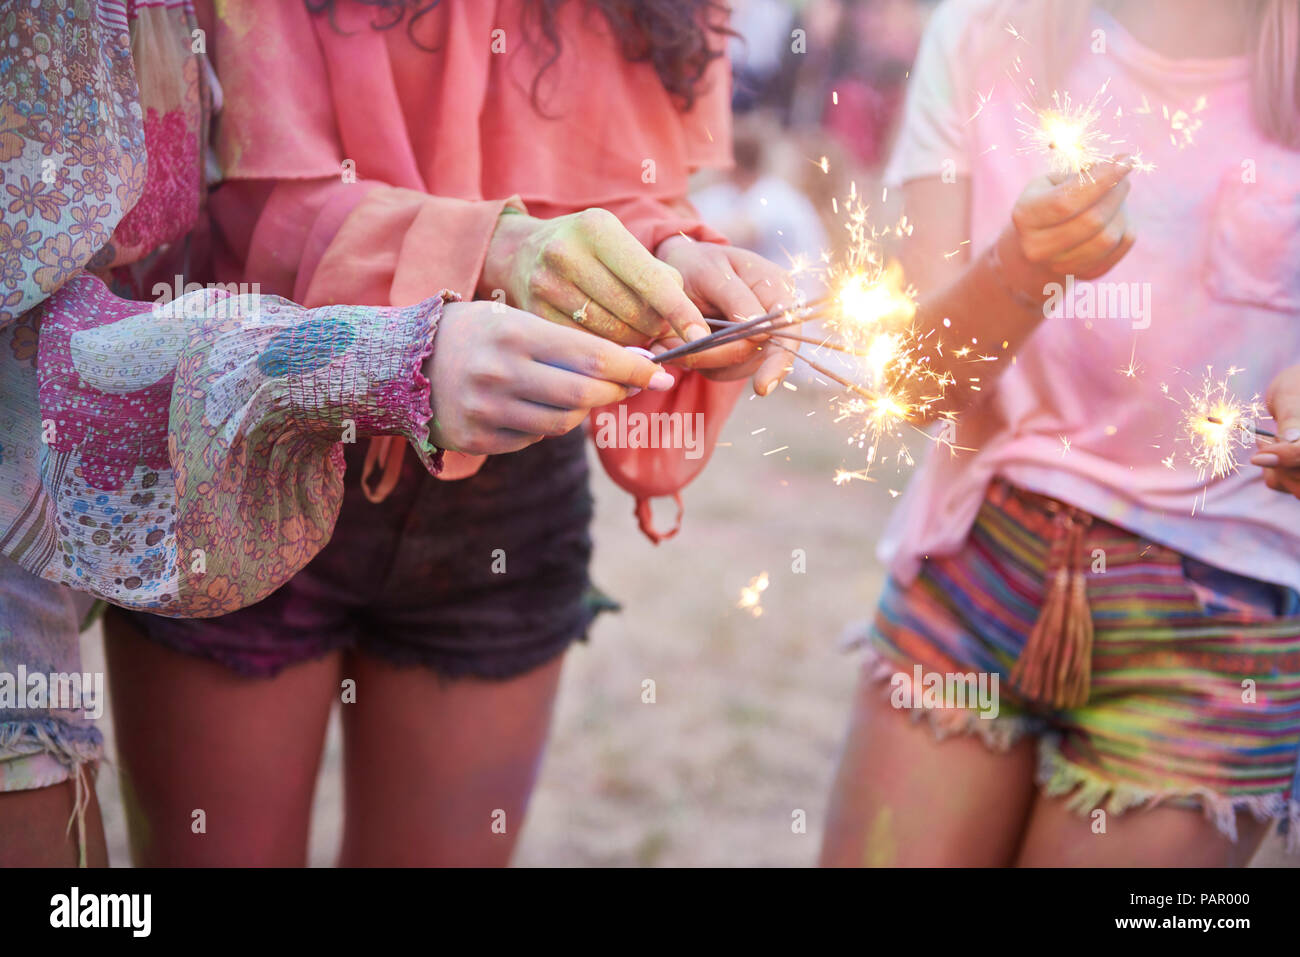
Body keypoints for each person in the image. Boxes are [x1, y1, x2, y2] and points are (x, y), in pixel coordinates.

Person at [103, 0, 798, 866]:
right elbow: (244, 203)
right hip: (251, 440)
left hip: (509, 489)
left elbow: (624, 183)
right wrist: (499, 250)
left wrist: (671, 261)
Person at [821, 0, 1300, 867]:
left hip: (1221, 632)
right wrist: (1020, 269)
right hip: (976, 569)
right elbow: (915, 385)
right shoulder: (980, 31)